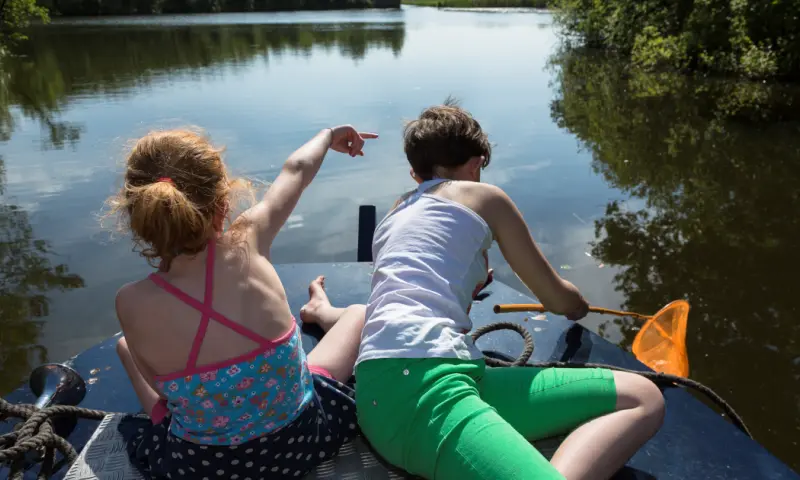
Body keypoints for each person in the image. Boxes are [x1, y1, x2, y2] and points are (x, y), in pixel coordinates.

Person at [353, 101, 665, 480]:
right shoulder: (484, 197)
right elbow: (555, 299)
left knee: (642, 397)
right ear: (476, 164)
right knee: (644, 401)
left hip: (427, 380)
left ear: (415, 173)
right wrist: (576, 304)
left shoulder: (394, 214)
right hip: (421, 392)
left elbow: (394, 301)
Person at [107, 125, 376, 479]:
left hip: (203, 468)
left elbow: (164, 392)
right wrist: (327, 136)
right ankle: (318, 313)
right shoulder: (251, 238)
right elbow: (296, 170)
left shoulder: (130, 301)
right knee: (357, 314)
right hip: (302, 443)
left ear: (141, 218)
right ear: (223, 202)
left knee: (126, 347)